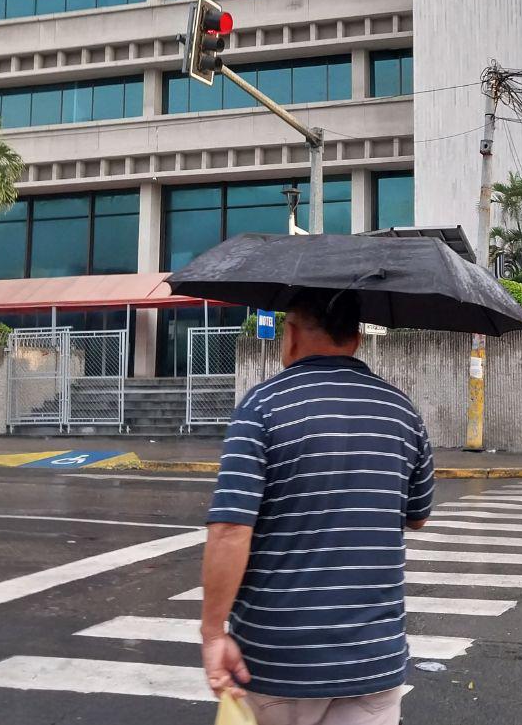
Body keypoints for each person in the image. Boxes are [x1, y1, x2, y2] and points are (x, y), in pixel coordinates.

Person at [200, 288, 435, 725]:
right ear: (356, 338)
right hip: (372, 661)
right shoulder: (402, 411)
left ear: (290, 334)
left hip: (277, 662)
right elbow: (418, 515)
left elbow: (230, 530)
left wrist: (213, 633)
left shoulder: (261, 408)